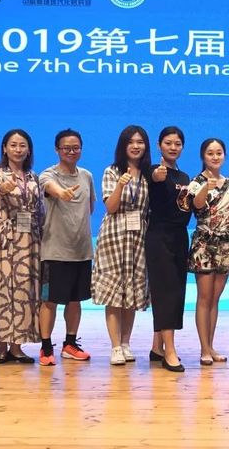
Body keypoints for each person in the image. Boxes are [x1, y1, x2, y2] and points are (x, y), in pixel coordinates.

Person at [0, 129, 42, 364]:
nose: (18, 149)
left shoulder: (33, 177)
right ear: (4, 148)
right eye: (13, 145)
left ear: (29, 150)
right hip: (5, 238)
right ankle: (1, 346)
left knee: (24, 291)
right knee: (2, 290)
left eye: (22, 145)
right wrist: (7, 186)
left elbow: (40, 210)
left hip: (29, 239)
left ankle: (17, 346)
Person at [92, 125, 151, 365]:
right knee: (114, 293)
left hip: (138, 238)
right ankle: (115, 346)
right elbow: (111, 207)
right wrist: (120, 185)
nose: (136, 146)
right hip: (114, 237)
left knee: (132, 292)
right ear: (123, 145)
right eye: (131, 142)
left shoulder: (148, 173)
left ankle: (126, 342)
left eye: (140, 142)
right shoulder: (112, 171)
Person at [38, 129, 96, 366]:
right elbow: (51, 188)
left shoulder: (87, 176)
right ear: (57, 150)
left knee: (75, 300)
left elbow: (90, 208)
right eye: (66, 148)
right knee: (49, 300)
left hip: (81, 250)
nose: (71, 152)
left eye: (76, 148)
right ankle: (46, 347)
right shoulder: (47, 175)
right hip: (55, 250)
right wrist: (61, 193)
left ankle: (70, 344)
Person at [180, 138, 229, 366]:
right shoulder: (196, 182)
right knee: (204, 298)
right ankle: (204, 348)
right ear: (203, 156)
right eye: (210, 153)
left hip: (226, 243)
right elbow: (197, 206)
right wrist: (205, 188)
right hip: (204, 243)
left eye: (219, 153)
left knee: (215, 298)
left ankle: (211, 346)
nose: (215, 157)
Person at [145, 126, 190, 373]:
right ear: (159, 145)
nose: (173, 147)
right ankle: (170, 352)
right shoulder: (154, 170)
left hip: (180, 237)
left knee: (177, 291)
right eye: (168, 143)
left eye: (177, 144)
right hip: (159, 237)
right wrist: (156, 176)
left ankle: (157, 347)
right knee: (165, 292)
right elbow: (153, 179)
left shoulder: (184, 177)